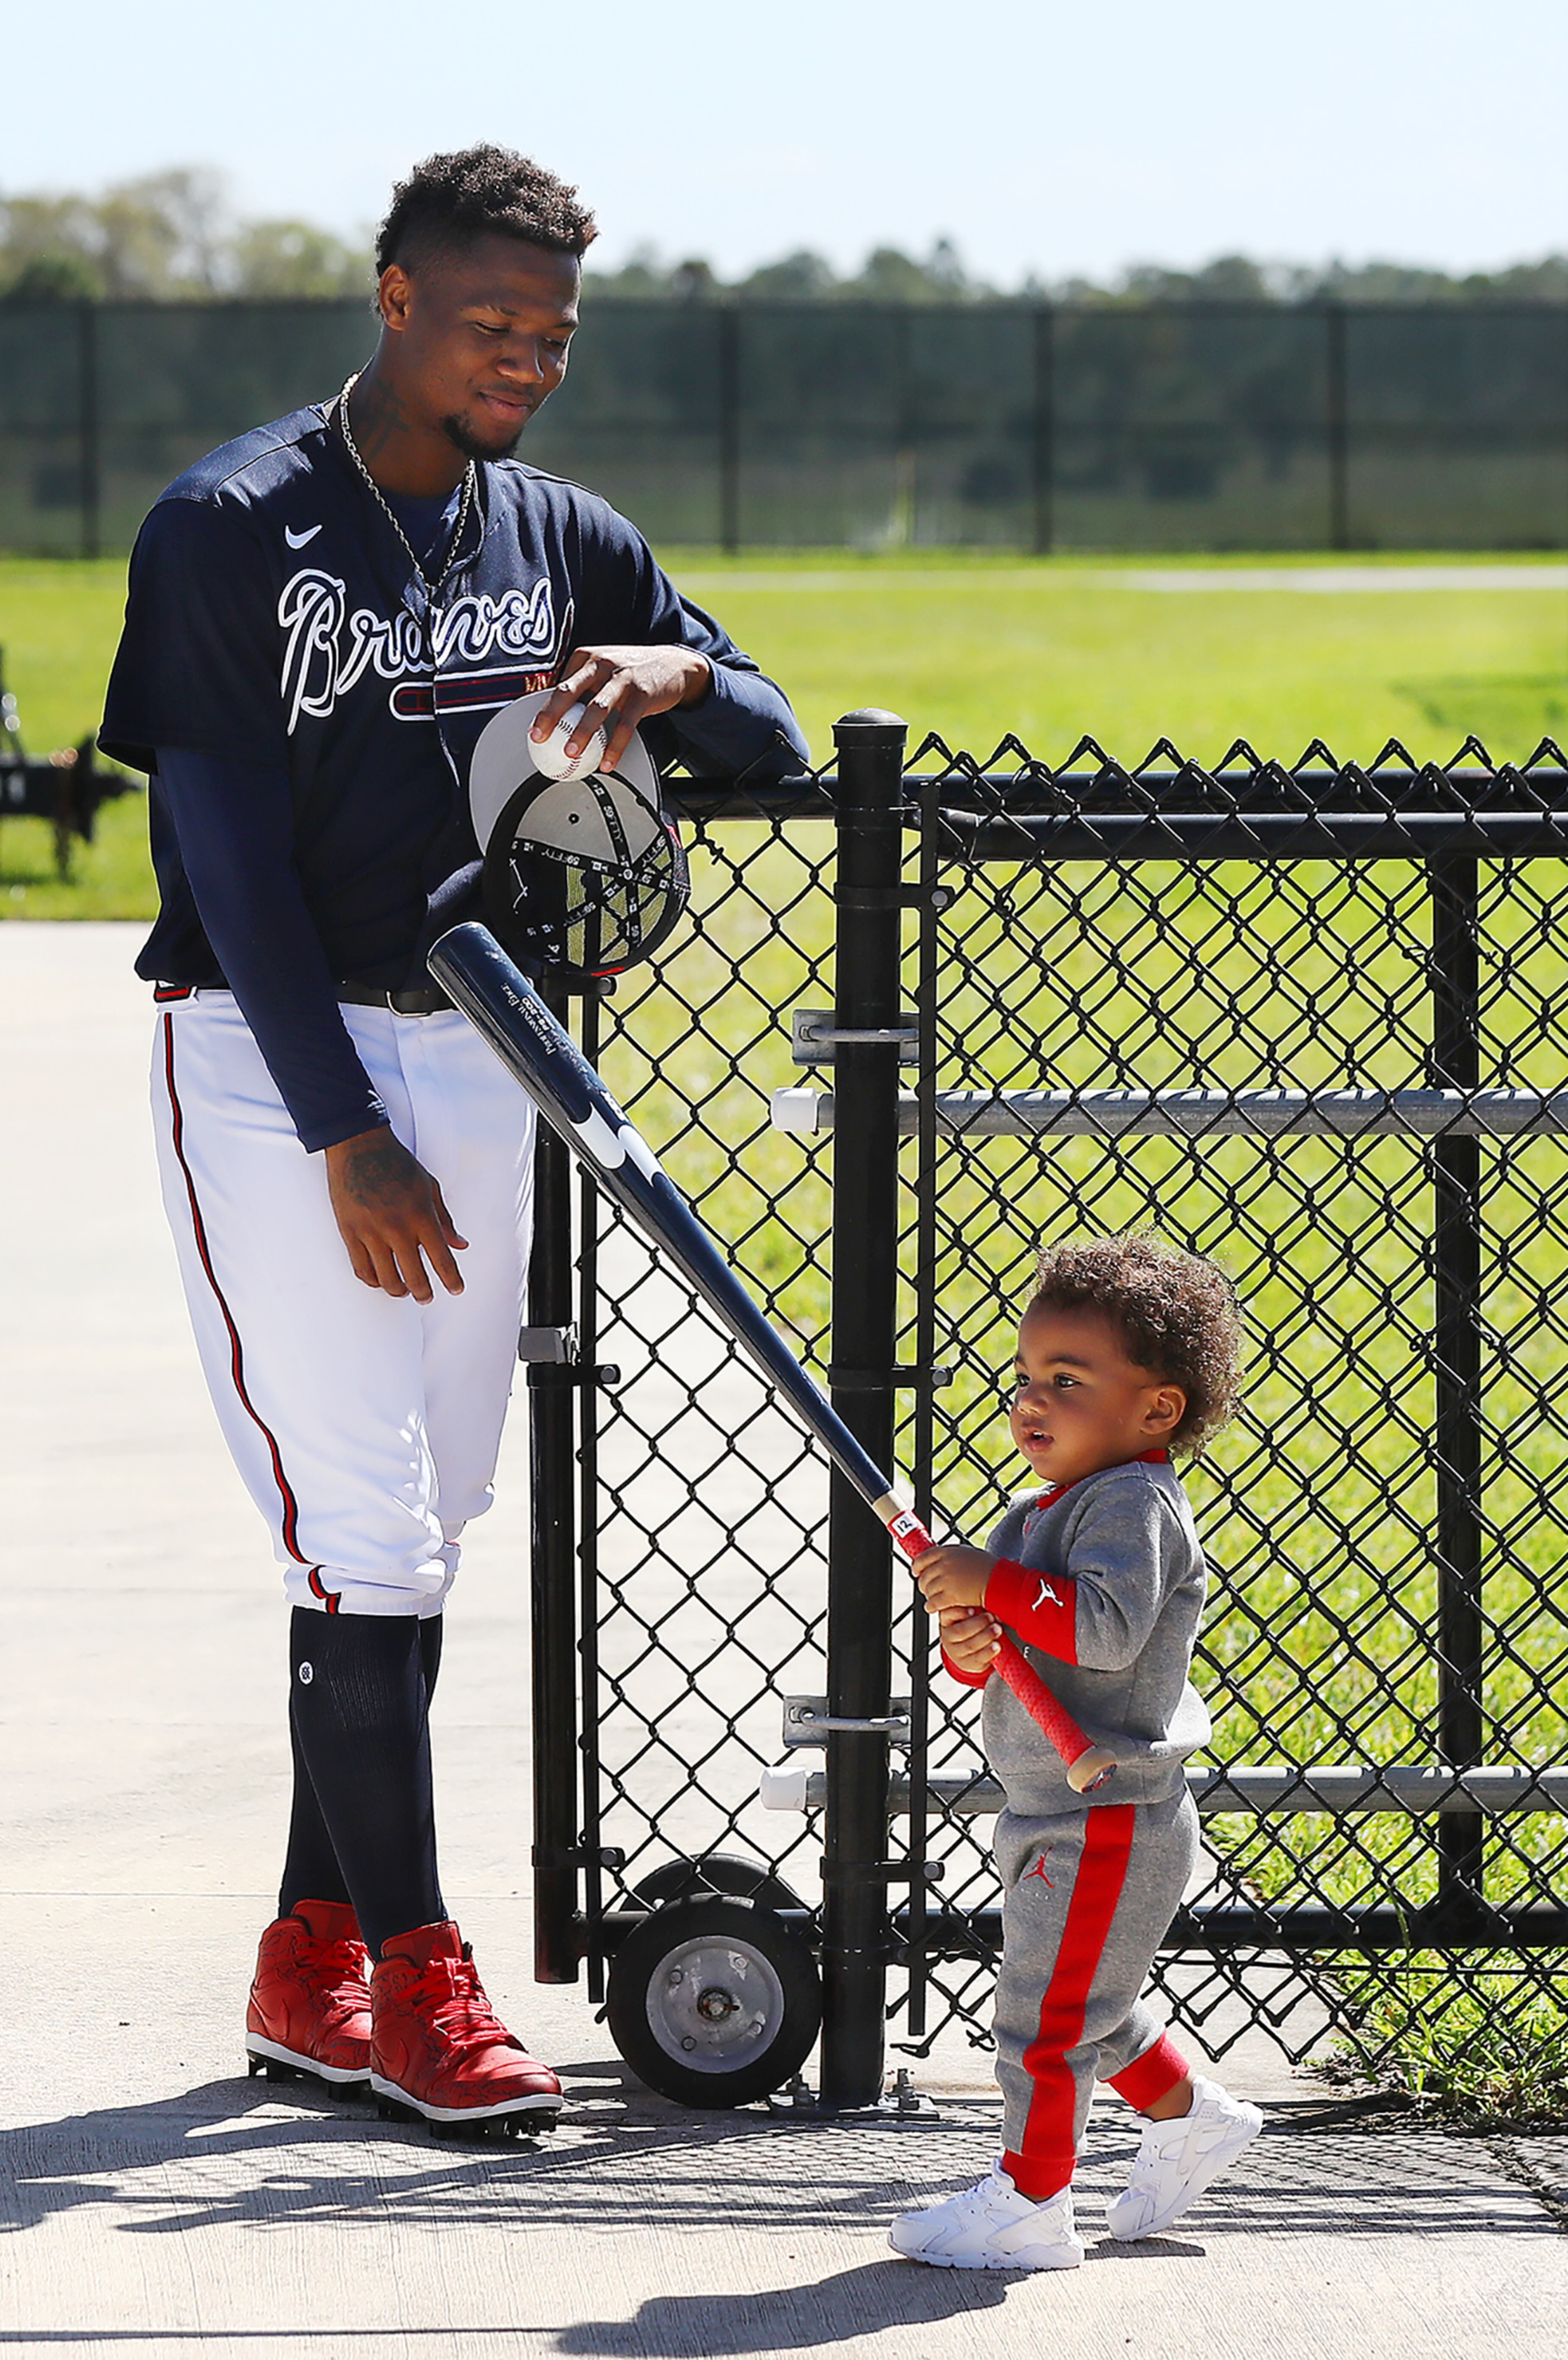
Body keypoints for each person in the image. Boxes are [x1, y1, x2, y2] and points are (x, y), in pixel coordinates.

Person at [97, 145, 804, 2133]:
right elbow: (216, 854)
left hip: (488, 1056)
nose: (526, 360)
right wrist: (341, 1129)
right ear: (394, 294)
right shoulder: (233, 524)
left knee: (429, 1526)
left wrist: (674, 669)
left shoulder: (554, 529)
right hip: (276, 1058)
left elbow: (766, 723)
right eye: (493, 323)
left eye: (555, 335)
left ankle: (304, 1965)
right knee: (371, 1532)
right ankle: (420, 1984)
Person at [890, 1233, 1263, 2268]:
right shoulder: (1041, 1510)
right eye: (1023, 1378)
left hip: (1109, 1815)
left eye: (1067, 1380)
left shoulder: (1135, 1505)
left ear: (1156, 1411)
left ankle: (1032, 2201)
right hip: (1056, 1802)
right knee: (1082, 2008)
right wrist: (974, 1640)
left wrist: (990, 1587)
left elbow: (1101, 1629)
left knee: (1041, 2022)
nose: (1032, 1401)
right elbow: (1017, 1655)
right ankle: (1195, 2120)